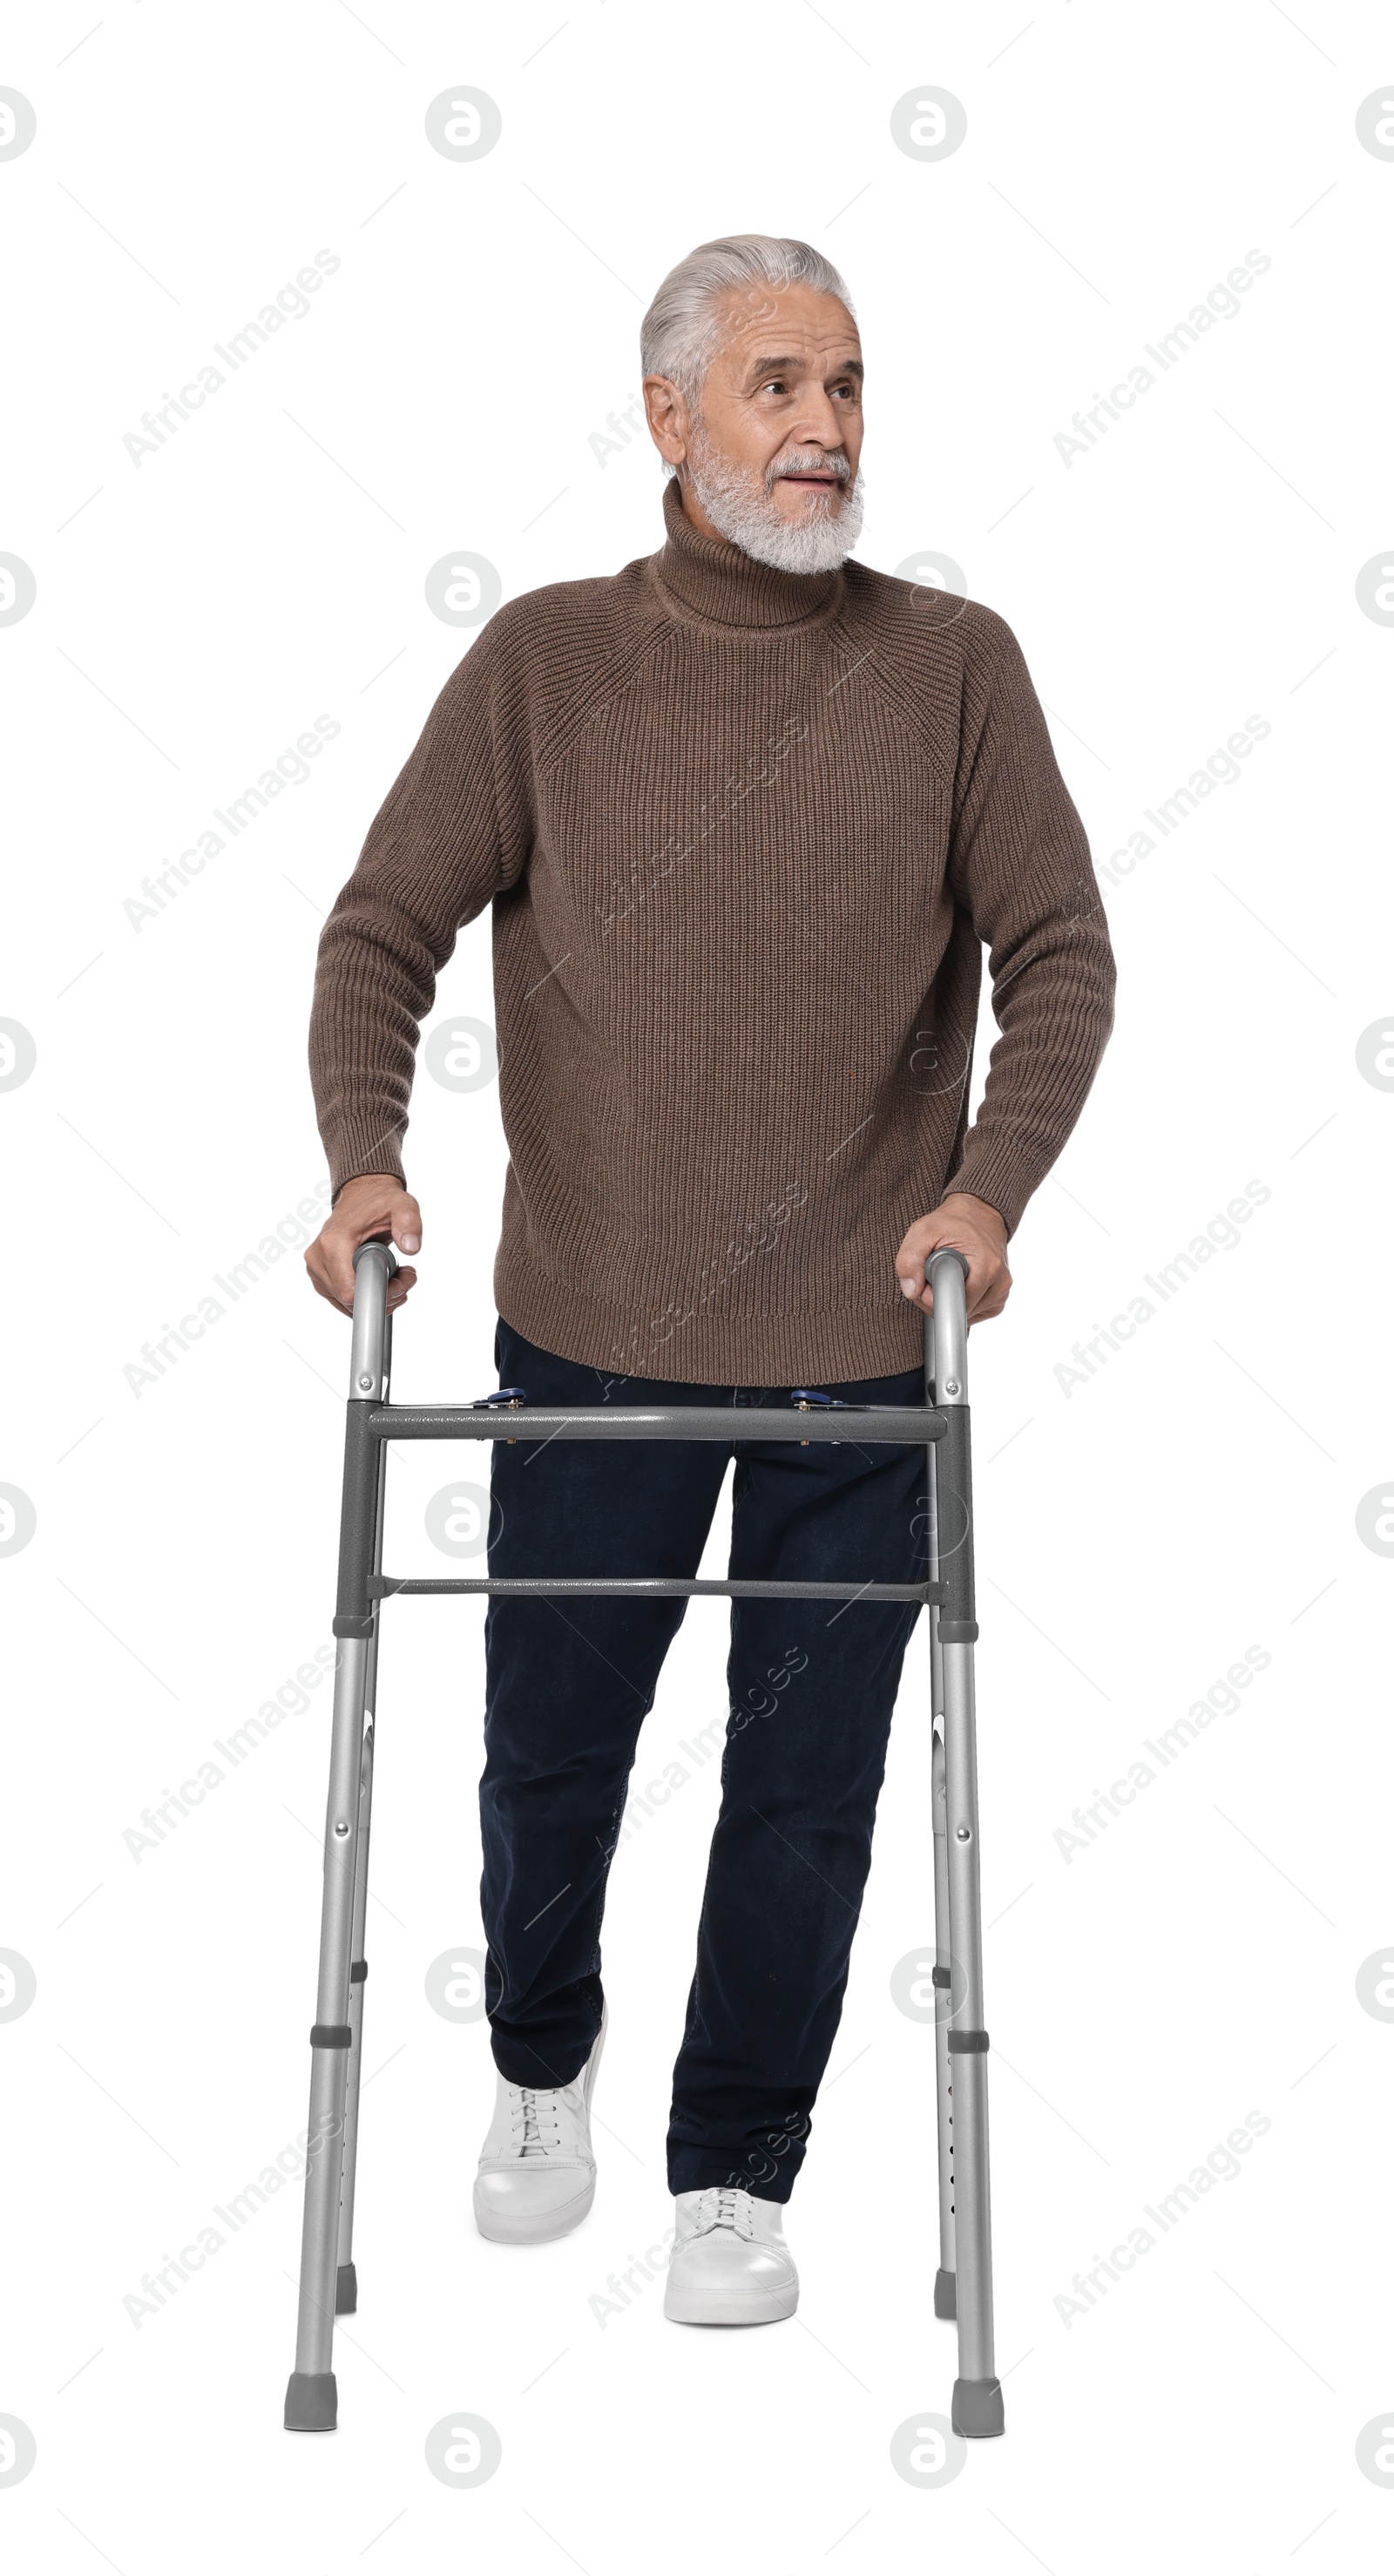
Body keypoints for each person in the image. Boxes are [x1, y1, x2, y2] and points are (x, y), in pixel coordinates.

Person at [304, 233, 1115, 2327]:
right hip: (592, 1323)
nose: (825, 428)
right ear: (666, 416)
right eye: (776, 385)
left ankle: (735, 2166)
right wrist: (365, 1161)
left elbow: (1061, 955)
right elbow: (381, 927)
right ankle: (540, 2065)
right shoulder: (548, 664)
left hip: (861, 1342)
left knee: (807, 1775)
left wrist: (984, 1191)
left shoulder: (952, 665)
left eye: (845, 385)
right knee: (551, 1745)